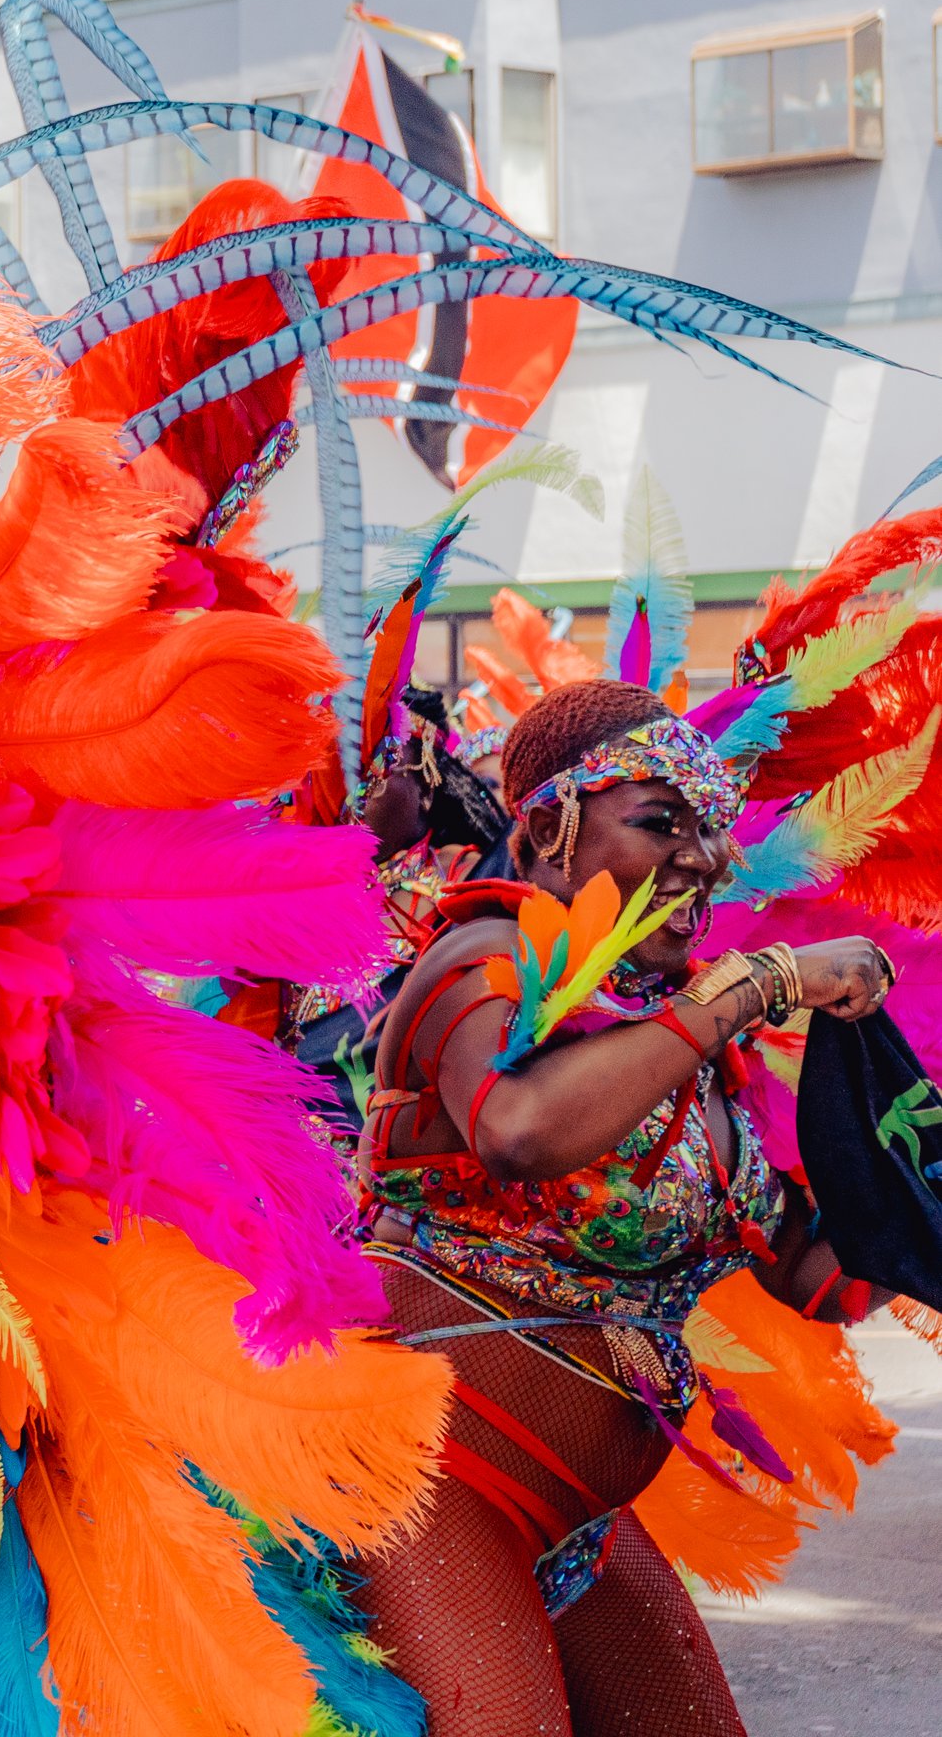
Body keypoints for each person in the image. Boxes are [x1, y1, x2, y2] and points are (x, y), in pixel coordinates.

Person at [354, 677, 894, 1734]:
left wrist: (903, 1215)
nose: (703, 858)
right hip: (423, 1481)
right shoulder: (485, 955)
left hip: (577, 1518)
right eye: (661, 822)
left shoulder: (681, 1053)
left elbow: (810, 1272)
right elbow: (516, 1131)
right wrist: (757, 984)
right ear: (549, 826)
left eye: (712, 832)